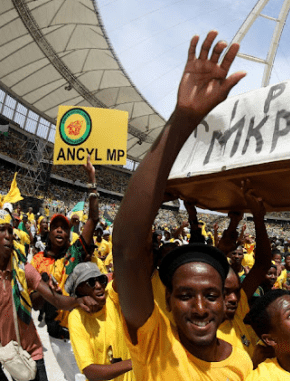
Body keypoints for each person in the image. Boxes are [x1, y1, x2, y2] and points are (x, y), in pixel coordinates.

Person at [113, 31, 252, 380]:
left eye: (211, 295)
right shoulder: (155, 342)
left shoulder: (241, 363)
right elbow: (128, 250)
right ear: (168, 300)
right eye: (186, 295)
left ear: (225, 300)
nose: (201, 308)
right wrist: (183, 119)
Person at [0, 212, 97, 381]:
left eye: (10, 230)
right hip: (3, 353)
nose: (8, 236)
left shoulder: (23, 268)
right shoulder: (38, 260)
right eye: (2, 230)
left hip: (29, 352)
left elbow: (57, 300)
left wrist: (78, 301)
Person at [66, 262, 134, 381]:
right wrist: (133, 362)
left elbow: (124, 274)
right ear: (80, 289)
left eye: (101, 280)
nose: (98, 286)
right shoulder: (77, 318)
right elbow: (90, 371)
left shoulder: (111, 298)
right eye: (91, 282)